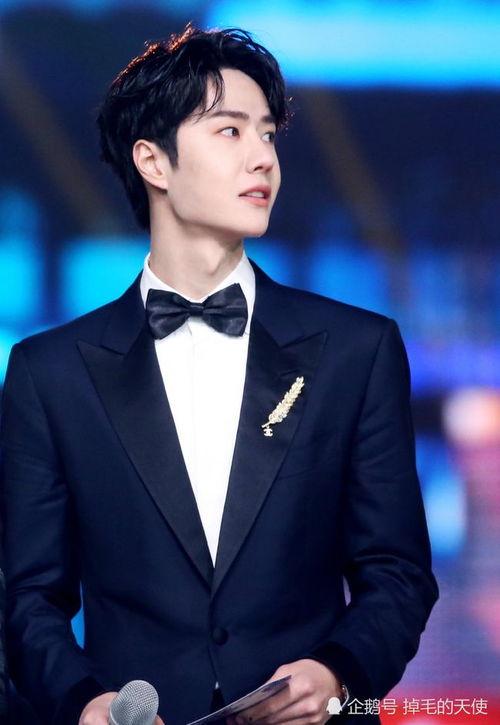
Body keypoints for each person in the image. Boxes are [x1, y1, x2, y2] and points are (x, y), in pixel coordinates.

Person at [0, 24, 439, 725]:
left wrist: (337, 672)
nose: (263, 157)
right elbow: (29, 599)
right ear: (153, 161)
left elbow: (399, 572)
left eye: (268, 134)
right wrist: (84, 703)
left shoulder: (357, 351)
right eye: (230, 131)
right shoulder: (49, 373)